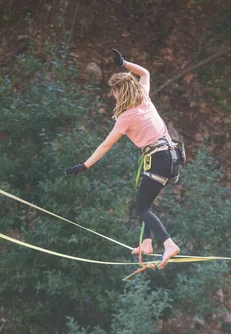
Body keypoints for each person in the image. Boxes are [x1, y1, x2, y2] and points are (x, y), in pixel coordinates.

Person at [66, 49, 181, 270]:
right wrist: (124, 63)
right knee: (143, 203)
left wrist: (85, 165)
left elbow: (106, 145)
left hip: (159, 159)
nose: (113, 96)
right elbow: (145, 73)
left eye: (114, 92)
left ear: (121, 91)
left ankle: (169, 245)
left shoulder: (125, 118)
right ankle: (147, 244)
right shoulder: (145, 99)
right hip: (170, 157)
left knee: (141, 208)